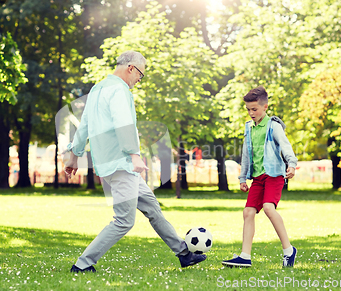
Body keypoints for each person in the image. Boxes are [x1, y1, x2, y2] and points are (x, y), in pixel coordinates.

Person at [63, 51, 206, 273]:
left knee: (152, 209)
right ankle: (83, 264)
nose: (140, 80)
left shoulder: (98, 88)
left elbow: (84, 126)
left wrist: (74, 155)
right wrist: (134, 154)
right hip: (121, 163)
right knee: (124, 221)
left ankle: (183, 254)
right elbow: (123, 123)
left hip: (113, 163)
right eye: (140, 74)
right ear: (131, 68)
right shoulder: (119, 89)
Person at [222, 86, 298, 268]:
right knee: (248, 212)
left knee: (268, 207)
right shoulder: (249, 128)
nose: (251, 113)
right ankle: (245, 256)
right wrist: (242, 178)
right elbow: (247, 154)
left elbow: (286, 146)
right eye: (248, 109)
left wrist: (292, 164)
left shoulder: (274, 126)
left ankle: (289, 250)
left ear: (265, 107)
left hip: (274, 175)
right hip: (258, 178)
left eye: (254, 109)